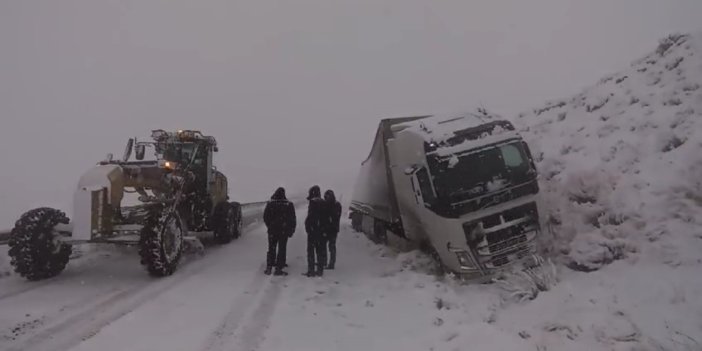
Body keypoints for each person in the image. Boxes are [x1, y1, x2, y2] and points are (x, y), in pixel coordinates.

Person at [263, 187, 296, 276]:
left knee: (271, 248)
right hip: (283, 231)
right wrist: (291, 229)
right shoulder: (288, 204)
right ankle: (279, 268)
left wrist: (269, 226)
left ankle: (269, 267)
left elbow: (266, 217)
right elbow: (292, 219)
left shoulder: (270, 204)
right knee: (282, 248)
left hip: (272, 231)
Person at [304, 185, 326, 277]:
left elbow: (310, 217)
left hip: (313, 231)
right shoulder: (324, 202)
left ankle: (311, 270)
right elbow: (326, 217)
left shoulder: (313, 202)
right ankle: (320, 270)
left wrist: (308, 228)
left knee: (311, 251)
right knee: (320, 251)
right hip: (321, 231)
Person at [323, 190, 342, 270]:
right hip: (333, 228)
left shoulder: (332, 205)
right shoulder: (337, 204)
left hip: (330, 228)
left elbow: (334, 216)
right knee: (330, 246)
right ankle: (329, 262)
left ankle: (328, 262)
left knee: (329, 246)